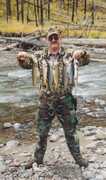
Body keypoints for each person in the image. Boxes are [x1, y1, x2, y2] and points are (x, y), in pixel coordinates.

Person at [17, 28, 88, 168]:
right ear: (47, 40)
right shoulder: (39, 56)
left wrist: (83, 53)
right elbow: (26, 65)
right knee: (41, 132)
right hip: (45, 100)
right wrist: (21, 59)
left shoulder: (69, 55)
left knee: (71, 132)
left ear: (60, 39)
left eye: (56, 37)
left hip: (65, 99)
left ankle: (79, 159)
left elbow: (86, 61)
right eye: (51, 38)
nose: (54, 40)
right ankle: (37, 159)